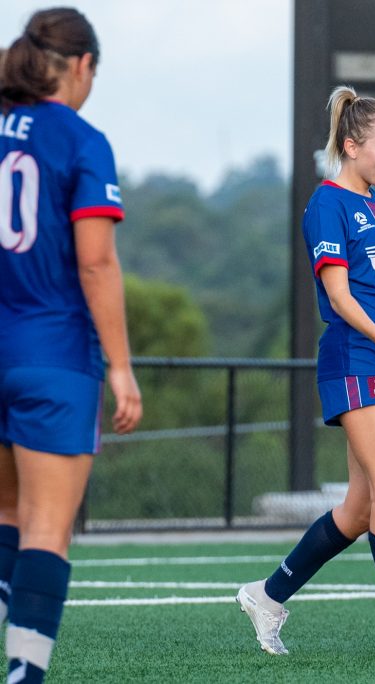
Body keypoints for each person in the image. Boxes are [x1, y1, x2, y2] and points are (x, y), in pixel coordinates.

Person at [236, 86, 375, 659]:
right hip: (355, 361)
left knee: (360, 508)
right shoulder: (328, 204)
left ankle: (268, 594)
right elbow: (339, 295)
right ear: (352, 145)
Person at [0, 8, 143, 683]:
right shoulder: (82, 138)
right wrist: (121, 367)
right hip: (53, 353)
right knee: (45, 530)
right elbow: (95, 263)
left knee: (3, 514)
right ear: (82, 65)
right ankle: (25, 673)